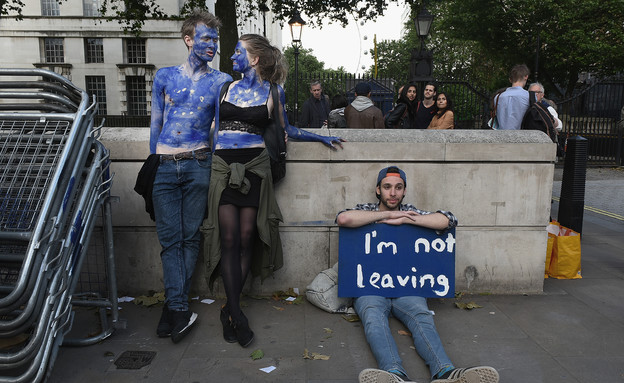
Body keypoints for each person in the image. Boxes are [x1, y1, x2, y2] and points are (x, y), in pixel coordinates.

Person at [203, 34, 344, 349]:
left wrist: (320, 138)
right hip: (224, 167)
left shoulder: (273, 91)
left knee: (245, 239)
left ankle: (229, 309)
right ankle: (237, 313)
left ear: (254, 59)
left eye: (237, 51)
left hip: (255, 168)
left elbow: (286, 129)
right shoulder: (224, 88)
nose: (232, 57)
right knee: (227, 240)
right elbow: (213, 130)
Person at [336, 166, 499, 383]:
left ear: (404, 191)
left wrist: (405, 219)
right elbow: (343, 219)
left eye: (398, 188)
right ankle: (395, 374)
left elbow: (448, 220)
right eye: (387, 187)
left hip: (407, 288)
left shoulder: (411, 212)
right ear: (378, 190)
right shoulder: (366, 210)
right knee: (373, 319)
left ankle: (445, 372)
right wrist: (387, 215)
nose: (392, 193)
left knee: (422, 316)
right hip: (370, 288)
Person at [149, 9, 232, 344]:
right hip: (165, 165)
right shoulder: (165, 76)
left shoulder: (220, 81)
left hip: (199, 162)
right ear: (188, 39)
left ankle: (175, 308)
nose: (212, 45)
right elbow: (155, 123)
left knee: (189, 237)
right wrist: (153, 162)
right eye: (205, 39)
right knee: (171, 240)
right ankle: (178, 306)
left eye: (215, 39)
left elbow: (218, 129)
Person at [494, 64, 531, 130]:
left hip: (501, 137)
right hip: (523, 137)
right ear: (526, 77)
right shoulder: (529, 96)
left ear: (510, 79)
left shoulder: (498, 97)